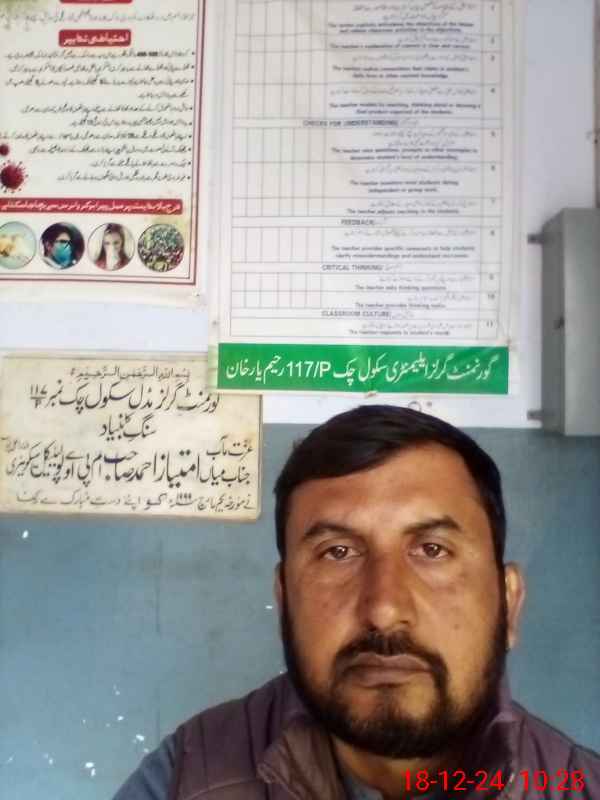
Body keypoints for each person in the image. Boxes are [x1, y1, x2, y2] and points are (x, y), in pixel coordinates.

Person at [112, 406, 600, 800]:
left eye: (433, 550)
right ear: (284, 600)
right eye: (338, 553)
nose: (383, 609)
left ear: (508, 601)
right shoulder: (186, 779)